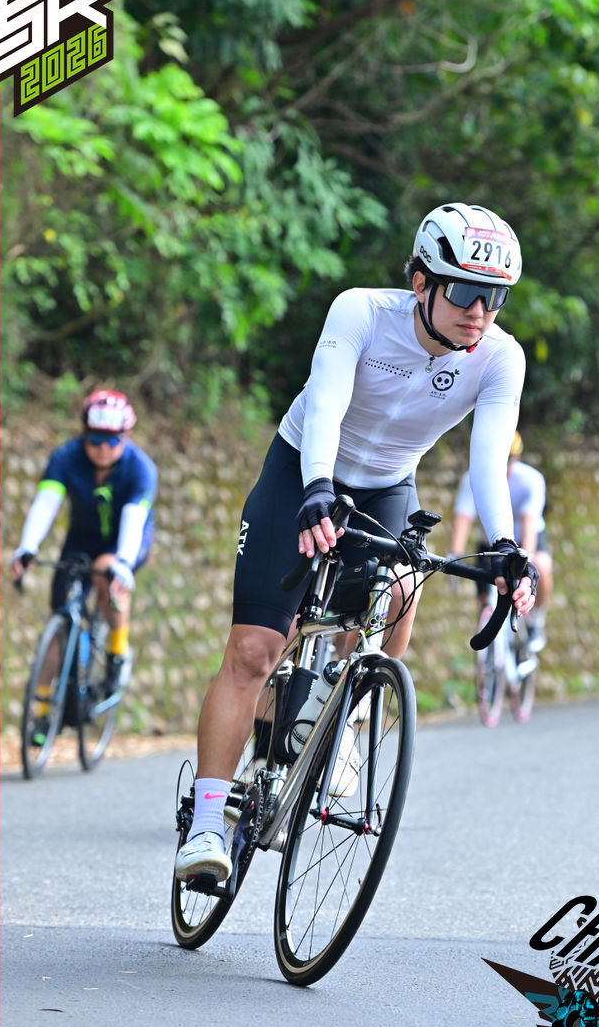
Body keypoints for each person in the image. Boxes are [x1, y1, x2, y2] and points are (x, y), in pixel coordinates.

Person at [176, 201, 538, 882]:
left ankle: (346, 714)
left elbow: (487, 462)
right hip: (302, 468)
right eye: (465, 291)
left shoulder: (499, 358)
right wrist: (316, 487)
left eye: (495, 298)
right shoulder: (361, 312)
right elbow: (327, 403)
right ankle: (205, 825)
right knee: (254, 650)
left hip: (387, 485)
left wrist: (504, 545)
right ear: (421, 282)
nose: (479, 311)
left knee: (402, 588)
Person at [10, 390, 157, 725]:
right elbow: (46, 503)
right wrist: (27, 547)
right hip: (81, 538)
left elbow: (134, 518)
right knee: (59, 619)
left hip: (126, 539)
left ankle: (118, 650)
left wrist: (123, 563)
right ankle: (42, 713)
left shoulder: (140, 468)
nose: (103, 447)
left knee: (106, 570)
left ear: (125, 437)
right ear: (83, 434)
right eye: (95, 439)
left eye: (112, 440)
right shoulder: (65, 457)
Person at [450, 430, 552, 651]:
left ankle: (536, 621)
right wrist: (454, 556)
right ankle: (489, 655)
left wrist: (527, 560)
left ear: (516, 458)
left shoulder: (531, 480)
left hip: (524, 538)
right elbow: (463, 519)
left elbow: (529, 523)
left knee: (542, 566)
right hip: (491, 542)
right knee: (484, 595)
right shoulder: (471, 478)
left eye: (508, 459)